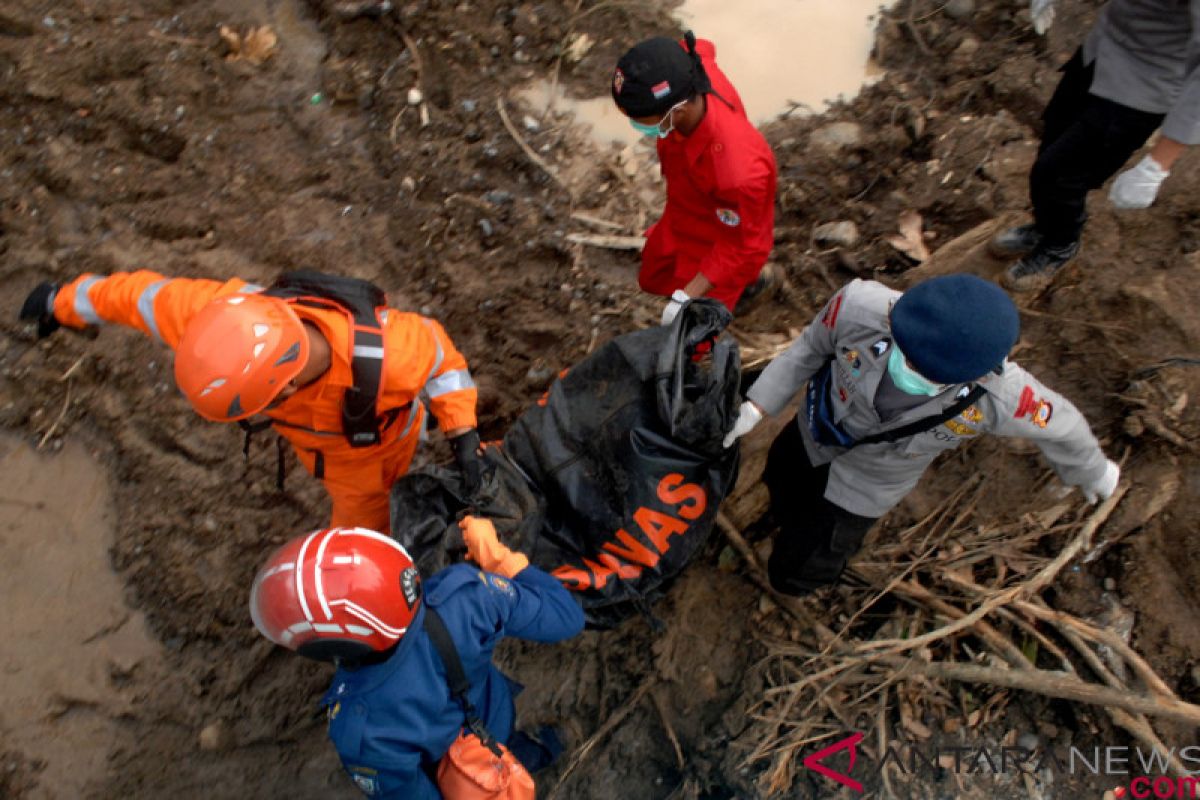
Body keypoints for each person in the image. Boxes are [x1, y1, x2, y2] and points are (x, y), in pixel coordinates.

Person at [721, 274, 1120, 596]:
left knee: (806, 564)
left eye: (930, 373)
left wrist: (1093, 471)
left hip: (865, 487)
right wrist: (758, 404)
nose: (910, 369)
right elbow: (809, 347)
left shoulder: (1000, 394)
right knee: (781, 482)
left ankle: (789, 584)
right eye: (906, 354)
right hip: (814, 432)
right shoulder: (860, 307)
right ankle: (778, 518)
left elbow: (1063, 426)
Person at [18, 269, 481, 533]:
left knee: (363, 537)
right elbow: (139, 297)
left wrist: (461, 430)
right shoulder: (218, 318)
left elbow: (441, 356)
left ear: (280, 393)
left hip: (366, 455)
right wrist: (61, 301)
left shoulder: (391, 359)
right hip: (327, 445)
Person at [249, 518, 585, 798]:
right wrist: (499, 559)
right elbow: (567, 617)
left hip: (446, 769)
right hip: (492, 712)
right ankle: (544, 748)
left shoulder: (362, 730)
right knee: (503, 747)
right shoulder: (466, 595)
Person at [995, 0, 1199, 291]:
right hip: (1101, 49)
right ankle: (1045, 226)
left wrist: (1158, 165)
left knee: (1062, 174)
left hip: (1142, 85)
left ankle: (1060, 243)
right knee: (1052, 140)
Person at [611, 31, 778, 323]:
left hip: (722, 242)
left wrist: (688, 296)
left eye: (639, 118)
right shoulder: (688, 67)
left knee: (694, 333)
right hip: (683, 214)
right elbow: (704, 46)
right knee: (652, 277)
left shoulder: (737, 172)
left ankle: (756, 283)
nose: (635, 125)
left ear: (677, 110)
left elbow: (740, 246)